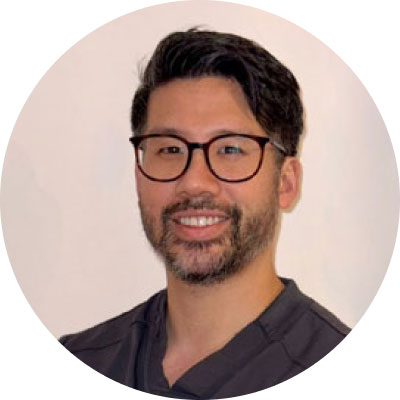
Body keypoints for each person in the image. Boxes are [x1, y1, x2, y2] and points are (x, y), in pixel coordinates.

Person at [60, 29, 350, 398]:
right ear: (138, 175)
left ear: (286, 183)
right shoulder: (78, 363)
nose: (194, 182)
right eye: (170, 150)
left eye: (230, 150)